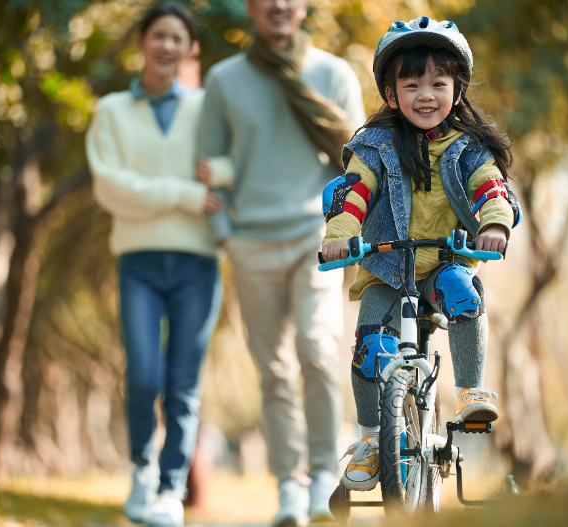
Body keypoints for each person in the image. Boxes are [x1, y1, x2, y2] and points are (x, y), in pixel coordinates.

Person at [320, 16, 520, 491]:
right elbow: (352, 192)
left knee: (464, 290)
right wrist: (340, 233)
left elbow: (490, 186)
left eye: (438, 83)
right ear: (391, 94)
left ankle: (471, 390)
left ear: (457, 89)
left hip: (444, 261)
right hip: (388, 267)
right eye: (411, 84)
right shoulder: (374, 145)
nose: (425, 95)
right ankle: (371, 440)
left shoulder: (467, 147)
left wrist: (493, 222)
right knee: (370, 347)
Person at [198, 0, 365, 524]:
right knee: (273, 372)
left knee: (317, 350)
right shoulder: (223, 80)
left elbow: (363, 161)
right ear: (250, 6)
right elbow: (206, 165)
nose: (278, 4)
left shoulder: (333, 74)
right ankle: (289, 488)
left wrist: (348, 231)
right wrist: (224, 235)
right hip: (249, 243)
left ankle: (321, 478)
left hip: (314, 238)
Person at [85, 4, 226, 526]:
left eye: (178, 39)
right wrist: (186, 194)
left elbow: (230, 168)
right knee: (144, 375)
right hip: (138, 263)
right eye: (158, 35)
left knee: (183, 385)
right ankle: (142, 469)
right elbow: (111, 188)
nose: (167, 46)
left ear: (189, 49)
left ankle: (170, 490)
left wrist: (218, 178)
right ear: (143, 42)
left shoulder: (208, 108)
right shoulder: (111, 113)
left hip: (198, 265)